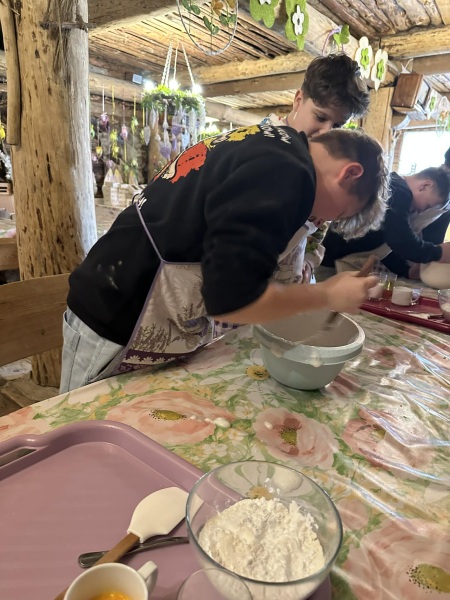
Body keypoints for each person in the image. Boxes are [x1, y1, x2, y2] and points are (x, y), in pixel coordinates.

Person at [60, 125, 389, 393]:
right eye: (341, 213)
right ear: (350, 173)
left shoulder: (275, 143)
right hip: (117, 316)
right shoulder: (288, 170)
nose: (325, 220)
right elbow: (233, 301)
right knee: (79, 438)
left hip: (124, 298)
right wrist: (327, 295)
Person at [261, 53, 370, 283]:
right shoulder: (261, 147)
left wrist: (310, 259)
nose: (326, 132)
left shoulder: (320, 158)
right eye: (320, 117)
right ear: (298, 100)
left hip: (289, 283)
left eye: (338, 125)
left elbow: (320, 223)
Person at [319, 167, 450, 279]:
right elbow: (401, 240)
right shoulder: (400, 191)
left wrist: (406, 271)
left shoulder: (394, 185)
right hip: (333, 264)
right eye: (427, 206)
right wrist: (440, 253)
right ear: (425, 186)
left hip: (333, 259)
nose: (421, 212)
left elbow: (384, 244)